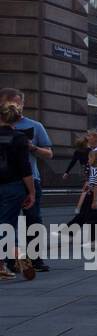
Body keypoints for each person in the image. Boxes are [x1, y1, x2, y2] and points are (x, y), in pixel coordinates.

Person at [0, 89, 53, 271]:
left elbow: (49, 154)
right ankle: (11, 261)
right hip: (10, 180)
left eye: (18, 103)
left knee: (33, 220)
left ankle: (35, 258)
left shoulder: (35, 126)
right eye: (12, 103)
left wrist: (32, 148)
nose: (17, 106)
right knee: (7, 222)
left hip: (31, 179)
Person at [0, 100, 37, 281]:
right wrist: (31, 192)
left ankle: (9, 262)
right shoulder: (20, 138)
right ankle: (15, 256)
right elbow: (25, 168)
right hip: (13, 186)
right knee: (7, 225)